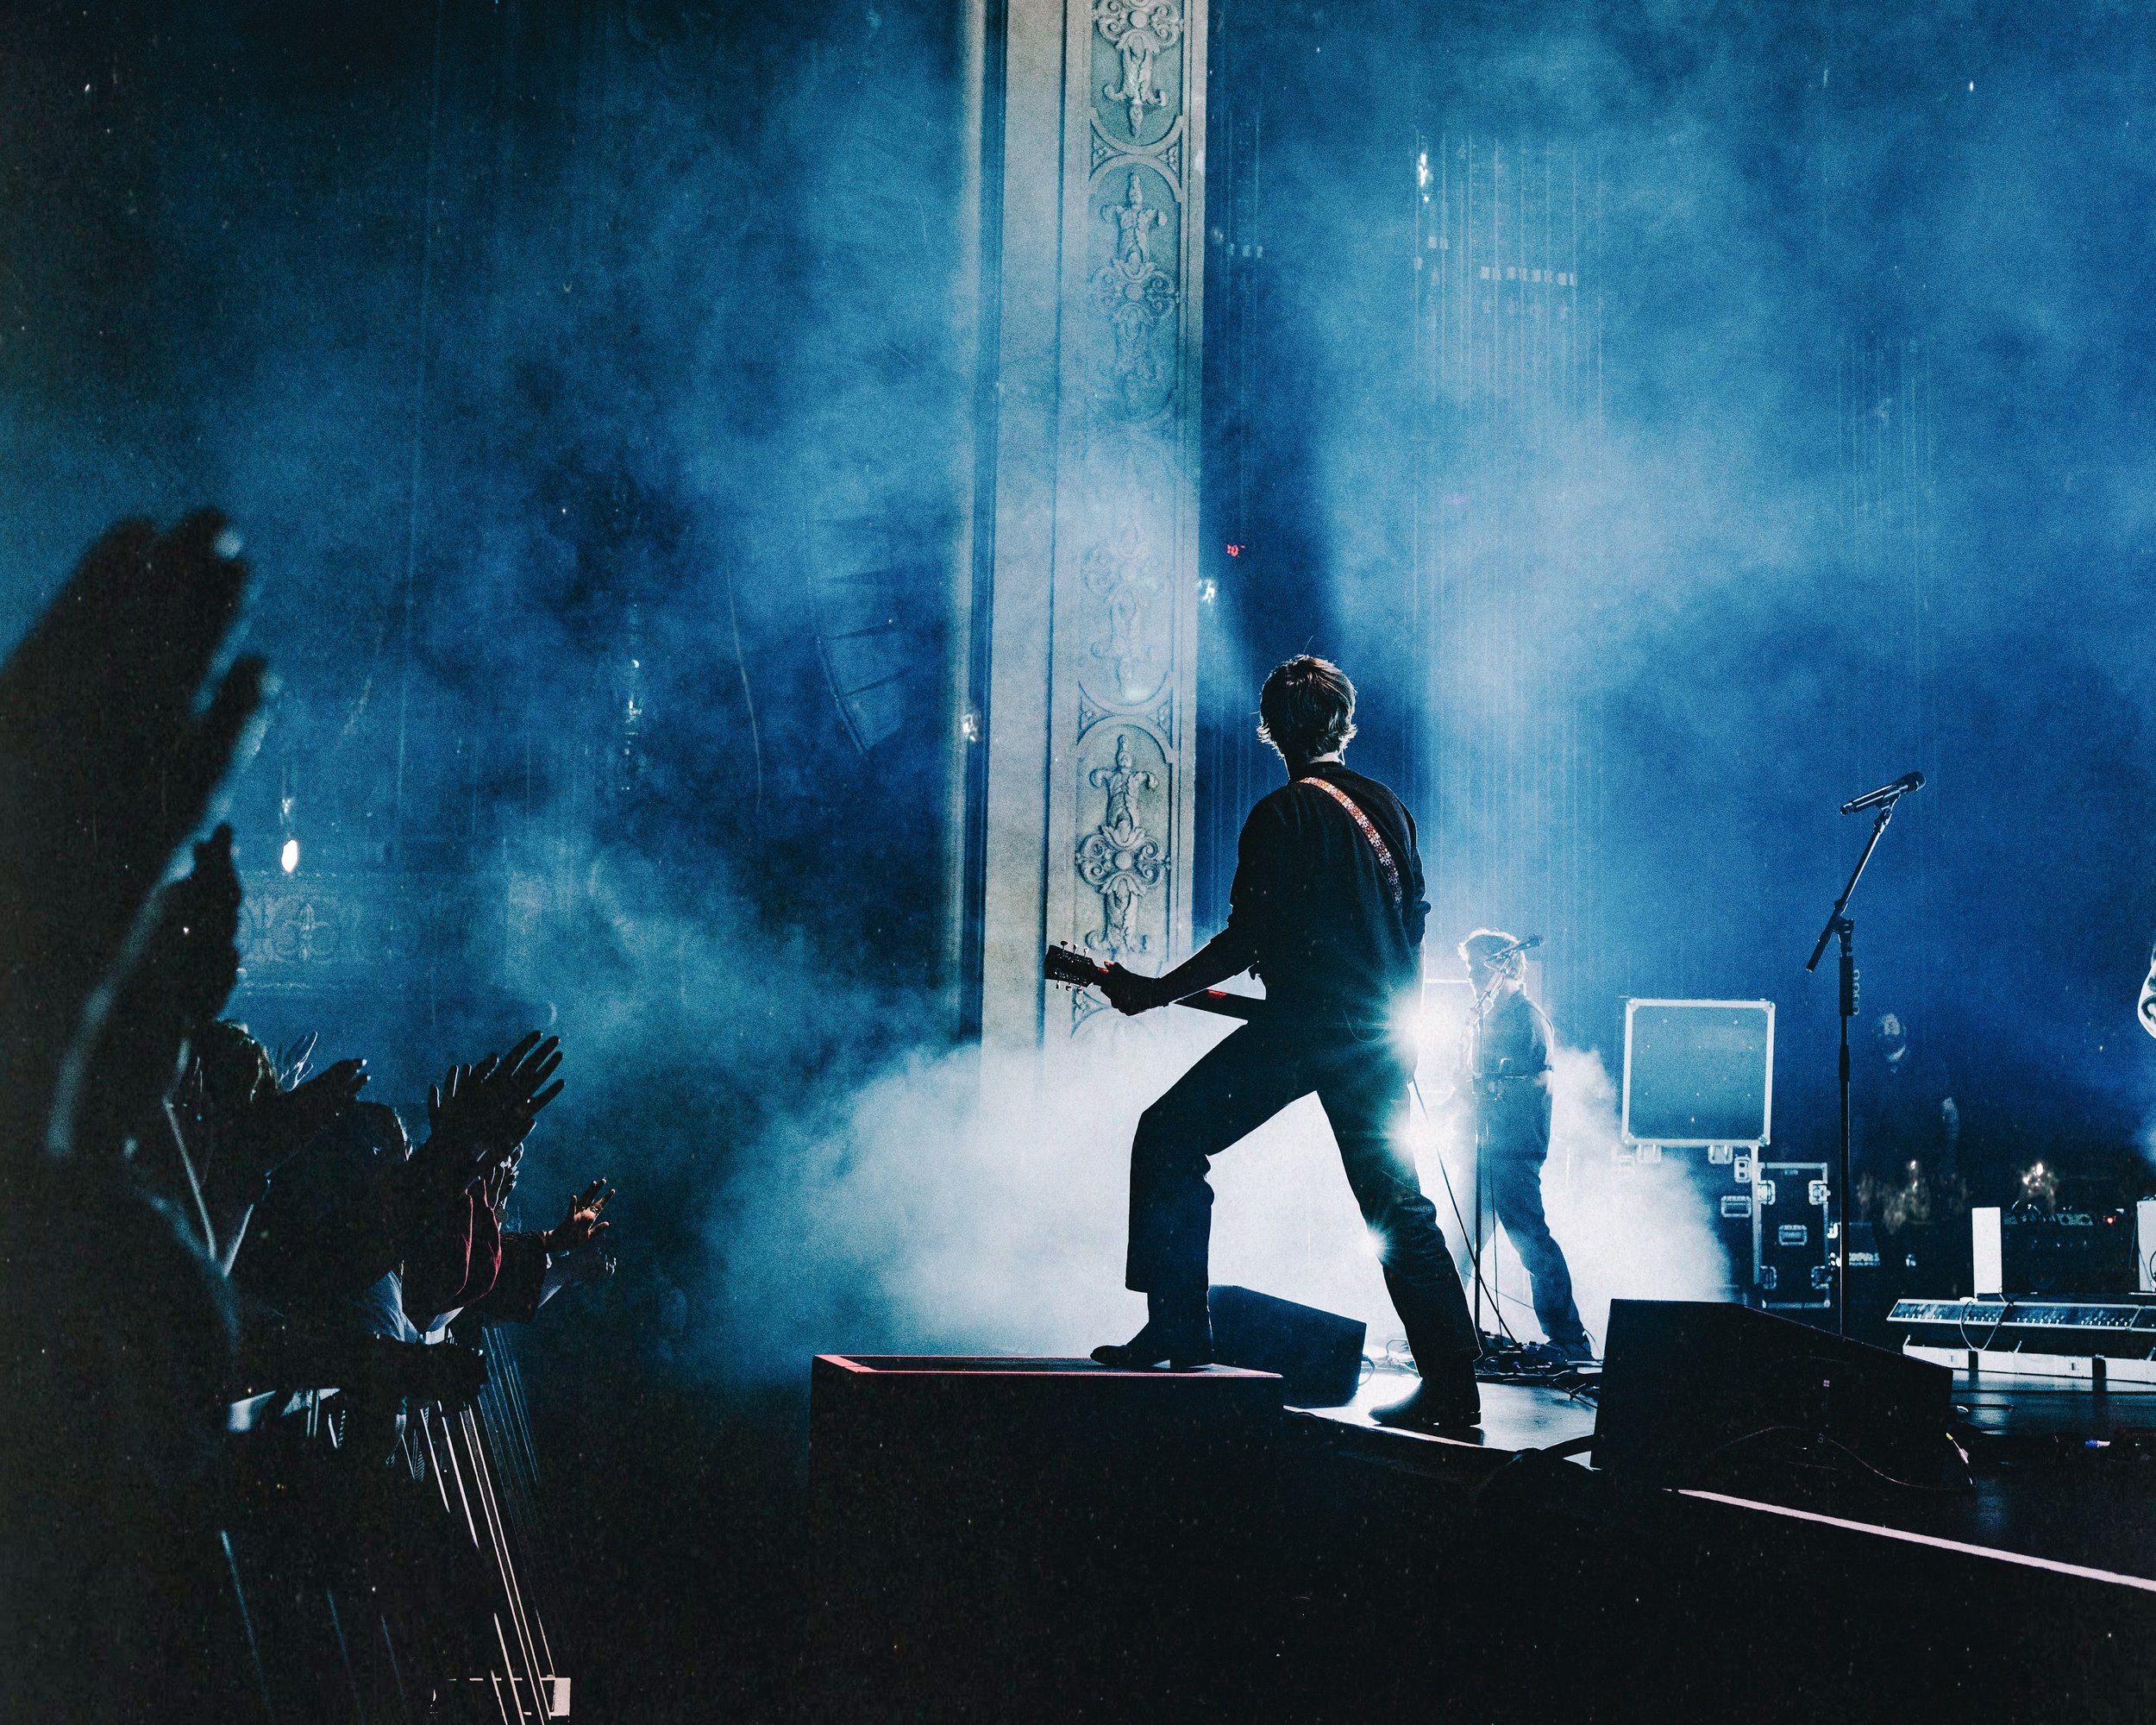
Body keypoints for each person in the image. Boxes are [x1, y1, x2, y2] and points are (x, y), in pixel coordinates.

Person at [1094, 655, 1482, 1432]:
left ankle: (1179, 1326)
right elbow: (1413, 929)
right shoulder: (1392, 810)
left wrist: (1150, 990)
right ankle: (1452, 1389)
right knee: (1399, 1208)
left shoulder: (1282, 814)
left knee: (1168, 1137)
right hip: (1371, 1037)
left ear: (1270, 731)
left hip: (1304, 1031)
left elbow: (1247, 939)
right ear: (1346, 723)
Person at [1456, 930, 1592, 1364]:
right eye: (1469, 967)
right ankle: (1449, 1332)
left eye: (1479, 966)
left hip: (1513, 1148)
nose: (1472, 975)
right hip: (1480, 1146)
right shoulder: (1482, 1018)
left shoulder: (1528, 1017)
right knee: (1457, 1243)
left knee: (1531, 1242)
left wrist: (1488, 1085)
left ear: (1505, 965)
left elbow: (1540, 1079)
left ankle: (1570, 1340)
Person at [1852, 1009, 1962, 1298]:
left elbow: (1949, 1113)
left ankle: (1933, 1311)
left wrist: (1949, 1159)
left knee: (1928, 1246)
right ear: (1875, 1035)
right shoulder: (1868, 1074)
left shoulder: (1928, 1065)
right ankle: (1895, 1314)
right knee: (1890, 1250)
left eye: (1892, 1023)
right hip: (1883, 1177)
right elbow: (1857, 1125)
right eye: (1881, 1026)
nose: (1887, 1029)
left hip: (1923, 1173)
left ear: (1904, 1027)